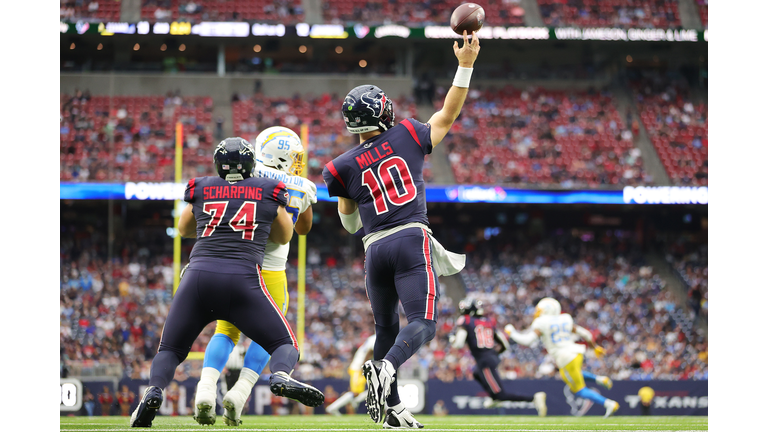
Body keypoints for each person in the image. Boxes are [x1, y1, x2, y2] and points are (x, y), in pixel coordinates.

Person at [322, 30, 480, 428]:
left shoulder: (339, 166)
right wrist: (465, 65)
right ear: (382, 112)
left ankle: (391, 409)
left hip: (374, 248)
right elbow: (447, 114)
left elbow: (348, 220)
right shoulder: (407, 133)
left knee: (386, 327)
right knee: (423, 322)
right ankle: (387, 368)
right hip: (410, 237)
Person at [130, 137, 324, 428]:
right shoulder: (270, 189)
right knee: (285, 343)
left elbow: (183, 229)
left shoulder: (203, 186)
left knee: (170, 350)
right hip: (246, 279)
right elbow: (285, 236)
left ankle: (155, 390)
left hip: (197, 277)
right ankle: (279, 376)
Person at [193, 127, 317, 427]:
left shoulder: (246, 172)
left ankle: (207, 387)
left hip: (235, 261)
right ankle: (241, 391)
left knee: (226, 330)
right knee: (270, 334)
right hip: (272, 271)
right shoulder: (302, 185)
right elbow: (303, 229)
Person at [504, 297, 619, 418]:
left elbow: (527, 341)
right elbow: (586, 334)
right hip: (576, 353)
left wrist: (512, 332)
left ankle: (608, 403)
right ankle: (599, 379)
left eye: (539, 310)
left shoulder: (542, 322)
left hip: (564, 357)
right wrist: (594, 347)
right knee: (569, 374)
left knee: (579, 390)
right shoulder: (565, 318)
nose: (536, 312)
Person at [449, 299, 547, 415]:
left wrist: (452, 339)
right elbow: (504, 344)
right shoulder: (488, 322)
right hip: (490, 358)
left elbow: (459, 343)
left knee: (501, 395)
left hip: (484, 360)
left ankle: (534, 398)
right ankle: (493, 397)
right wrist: (493, 354)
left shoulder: (466, 321)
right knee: (476, 373)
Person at [325, 335, 376, 416]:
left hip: (360, 367)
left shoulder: (373, 338)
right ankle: (332, 408)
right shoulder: (376, 338)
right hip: (359, 368)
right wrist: (364, 367)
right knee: (355, 392)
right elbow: (369, 351)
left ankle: (353, 402)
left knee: (371, 389)